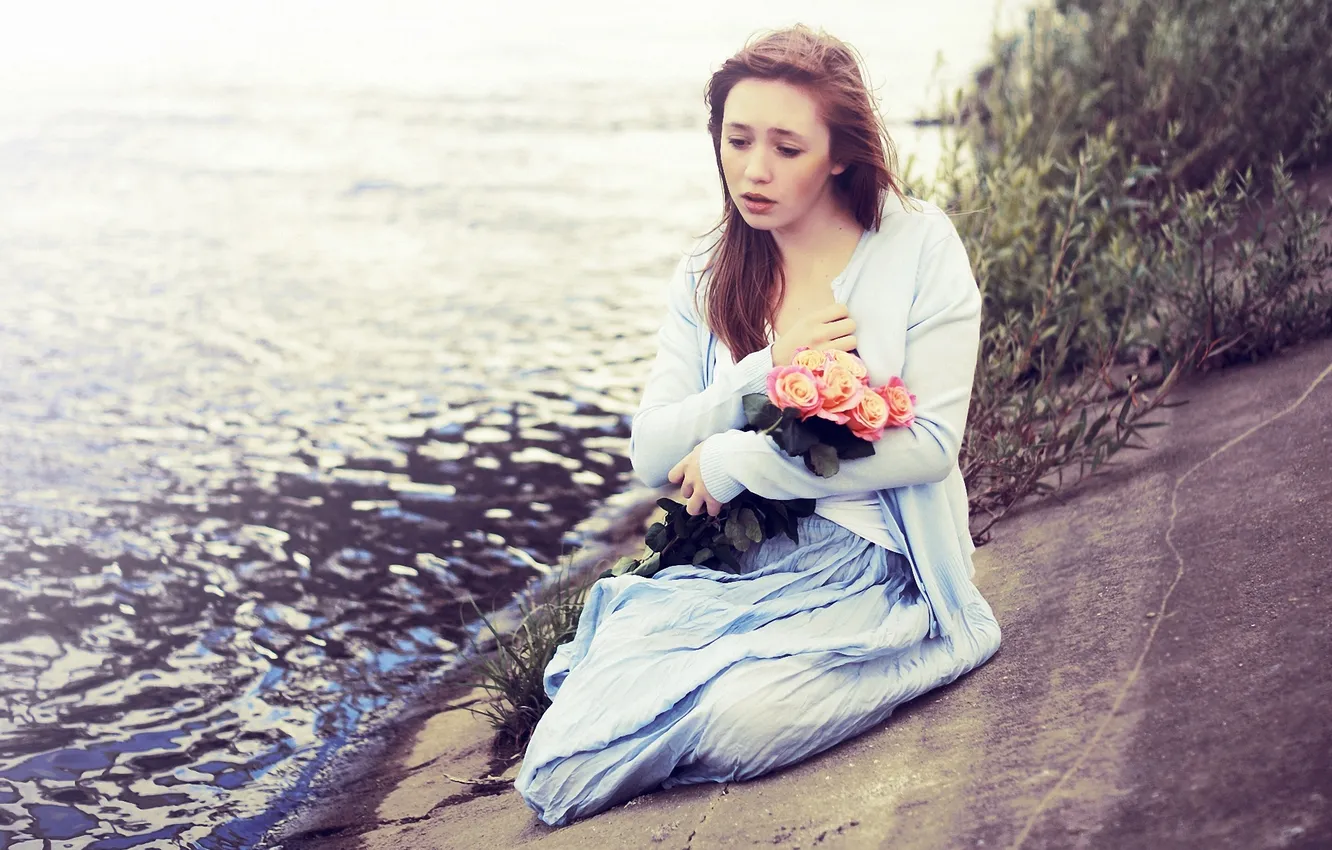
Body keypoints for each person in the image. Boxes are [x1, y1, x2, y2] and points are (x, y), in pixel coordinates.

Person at [513, 23, 1001, 827]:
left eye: (786, 147)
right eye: (737, 141)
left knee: (744, 718)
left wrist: (746, 459)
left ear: (840, 153)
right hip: (740, 561)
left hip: (877, 564)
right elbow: (652, 451)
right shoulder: (708, 273)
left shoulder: (918, 246)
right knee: (563, 758)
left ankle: (919, 652)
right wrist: (759, 375)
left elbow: (929, 446)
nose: (754, 170)